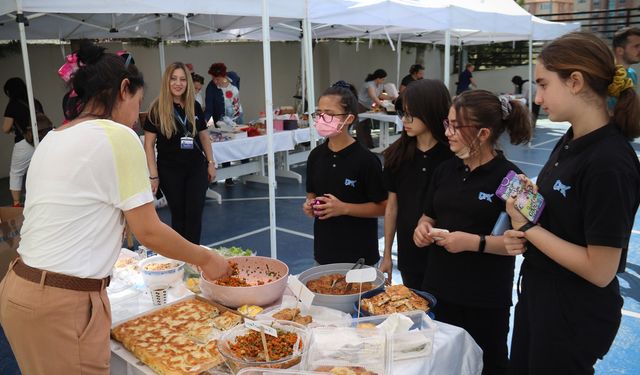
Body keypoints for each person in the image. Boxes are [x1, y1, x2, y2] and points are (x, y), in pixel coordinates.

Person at [0, 41, 230, 375]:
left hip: (19, 288)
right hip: (61, 301)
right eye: (137, 103)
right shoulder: (118, 136)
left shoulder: (54, 137)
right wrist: (207, 258)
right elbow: (148, 231)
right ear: (124, 89)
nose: (136, 118)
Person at [503, 31, 640, 374]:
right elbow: (564, 218)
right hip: (540, 296)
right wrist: (529, 203)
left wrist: (528, 228)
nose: (537, 97)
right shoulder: (570, 140)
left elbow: (599, 269)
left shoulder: (610, 162)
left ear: (575, 81)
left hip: (572, 314)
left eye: (544, 84)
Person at [413, 90, 531, 375]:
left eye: (456, 126)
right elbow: (427, 215)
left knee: (487, 366)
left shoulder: (513, 179)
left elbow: (523, 242)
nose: (448, 132)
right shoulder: (444, 171)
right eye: (447, 123)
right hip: (439, 290)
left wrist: (473, 243)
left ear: (483, 133)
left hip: (484, 299)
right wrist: (422, 229)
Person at [379, 79, 453, 288]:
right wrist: (387, 255)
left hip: (447, 255)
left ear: (431, 111)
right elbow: (392, 207)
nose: (405, 120)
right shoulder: (396, 155)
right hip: (409, 254)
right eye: (402, 113)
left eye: (411, 114)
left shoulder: (453, 156)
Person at [304, 81, 387, 266]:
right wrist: (309, 205)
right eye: (319, 113)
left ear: (349, 119)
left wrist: (344, 208)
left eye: (330, 114)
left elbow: (384, 207)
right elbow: (311, 195)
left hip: (359, 257)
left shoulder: (366, 160)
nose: (322, 118)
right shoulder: (315, 156)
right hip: (324, 254)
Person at [144, 62, 217, 244]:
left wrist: (210, 163)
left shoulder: (195, 106)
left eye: (183, 79)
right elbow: (149, 145)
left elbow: (204, 137)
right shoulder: (156, 109)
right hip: (170, 171)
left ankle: (194, 259)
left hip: (196, 168)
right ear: (167, 82)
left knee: (194, 214)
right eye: (174, 79)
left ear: (188, 83)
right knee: (179, 217)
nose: (178, 83)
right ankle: (181, 259)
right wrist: (154, 176)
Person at [2, 77, 44, 207]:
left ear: (10, 92)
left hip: (25, 142)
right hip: (42, 140)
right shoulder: (34, 102)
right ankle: (41, 197)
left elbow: (6, 128)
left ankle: (16, 203)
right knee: (39, 169)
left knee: (16, 172)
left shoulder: (12, 105)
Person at [356, 69, 388, 148]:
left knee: (367, 126)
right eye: (382, 79)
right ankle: (362, 146)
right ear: (378, 78)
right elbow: (373, 96)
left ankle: (369, 145)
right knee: (361, 126)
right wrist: (382, 105)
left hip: (368, 106)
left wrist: (392, 97)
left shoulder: (380, 85)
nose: (383, 81)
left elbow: (380, 95)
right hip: (361, 105)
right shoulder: (370, 84)